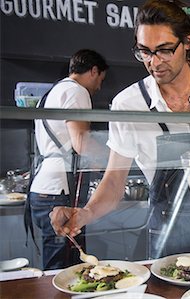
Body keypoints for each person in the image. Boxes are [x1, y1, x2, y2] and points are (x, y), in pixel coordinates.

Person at [50, 0, 190, 258]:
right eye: (145, 51)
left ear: (187, 42)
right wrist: (85, 213)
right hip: (168, 235)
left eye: (164, 50)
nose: (154, 62)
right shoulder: (129, 104)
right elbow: (114, 181)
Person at [26, 49, 108, 269]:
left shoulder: (53, 92)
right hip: (58, 193)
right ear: (93, 71)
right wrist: (112, 161)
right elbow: (81, 143)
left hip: (44, 188)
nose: (99, 87)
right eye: (100, 79)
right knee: (63, 271)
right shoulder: (76, 91)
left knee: (62, 267)